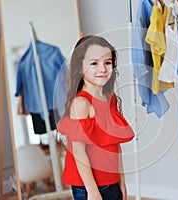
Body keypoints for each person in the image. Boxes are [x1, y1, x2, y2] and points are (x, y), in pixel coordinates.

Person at [57, 35, 134, 200]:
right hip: (89, 187)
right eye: (94, 63)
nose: (103, 69)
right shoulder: (81, 103)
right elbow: (78, 151)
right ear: (79, 68)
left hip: (111, 181)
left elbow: (115, 146)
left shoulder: (109, 99)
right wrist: (92, 191)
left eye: (107, 62)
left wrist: (121, 181)